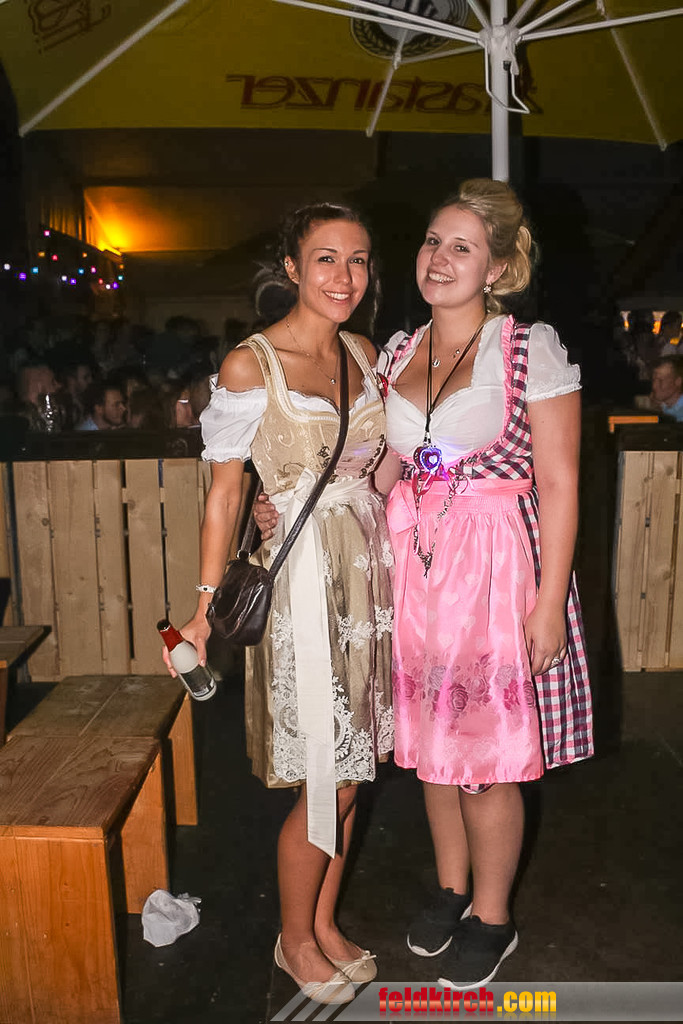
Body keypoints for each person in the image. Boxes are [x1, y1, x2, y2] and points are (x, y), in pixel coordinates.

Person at [255, 179, 594, 989]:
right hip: (410, 562)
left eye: (461, 247)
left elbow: (560, 483)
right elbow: (378, 472)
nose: (438, 259)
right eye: (432, 242)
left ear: (497, 267)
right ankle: (450, 889)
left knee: (484, 754)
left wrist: (548, 602)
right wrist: (292, 500)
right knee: (432, 746)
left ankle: (493, 915)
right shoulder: (397, 351)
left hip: (494, 564)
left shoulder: (527, 349)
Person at [163, 203, 393, 1005]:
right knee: (325, 776)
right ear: (291, 268)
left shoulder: (365, 352)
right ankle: (293, 940)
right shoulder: (248, 365)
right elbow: (225, 493)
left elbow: (378, 465)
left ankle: (323, 922)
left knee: (354, 771)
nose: (344, 276)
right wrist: (202, 609)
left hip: (368, 576)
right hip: (302, 585)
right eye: (325, 258)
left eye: (358, 259)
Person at [651, 355, 683, 421]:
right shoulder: (665, 407)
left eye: (661, 381)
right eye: (654, 380)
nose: (654, 386)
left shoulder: (680, 414)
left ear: (678, 381)